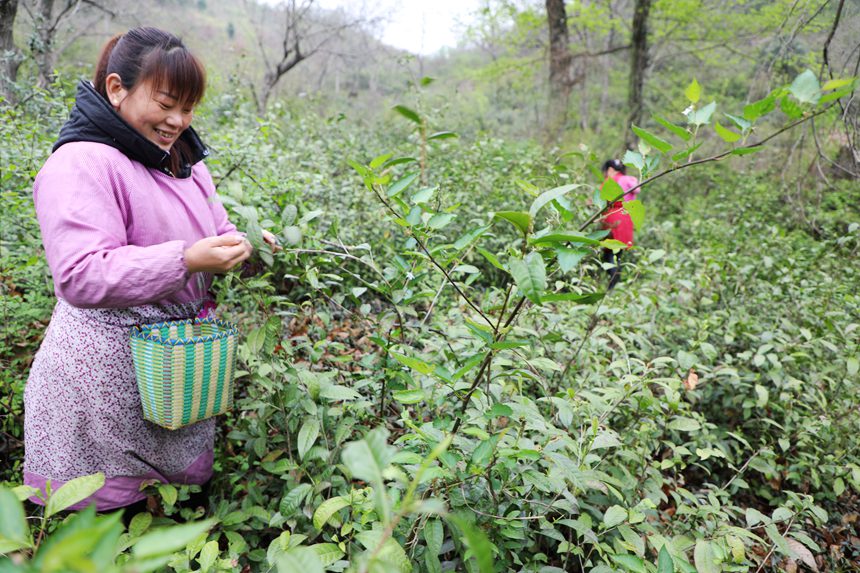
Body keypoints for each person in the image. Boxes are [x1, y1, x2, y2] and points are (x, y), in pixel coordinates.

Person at [23, 27, 265, 512]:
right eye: (166, 103)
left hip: (174, 372)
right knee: (101, 520)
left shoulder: (186, 162)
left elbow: (216, 224)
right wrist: (187, 258)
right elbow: (81, 274)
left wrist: (245, 242)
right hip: (100, 380)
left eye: (189, 107)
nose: (178, 120)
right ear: (117, 89)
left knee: (169, 513)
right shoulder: (82, 163)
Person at [599, 159, 640, 289]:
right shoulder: (630, 180)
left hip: (613, 217)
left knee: (609, 252)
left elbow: (602, 200)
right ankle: (617, 283)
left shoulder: (610, 181)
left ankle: (613, 284)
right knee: (619, 253)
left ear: (610, 170)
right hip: (627, 217)